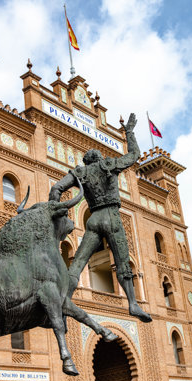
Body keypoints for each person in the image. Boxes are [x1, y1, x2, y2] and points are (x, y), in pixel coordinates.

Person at [49, 113, 152, 323]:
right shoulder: (110, 165)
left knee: (77, 262)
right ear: (98, 157)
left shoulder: (81, 173)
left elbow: (56, 188)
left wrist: (58, 212)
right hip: (112, 217)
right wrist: (130, 131)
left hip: (94, 219)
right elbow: (134, 155)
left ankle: (64, 299)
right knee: (123, 262)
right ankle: (133, 303)